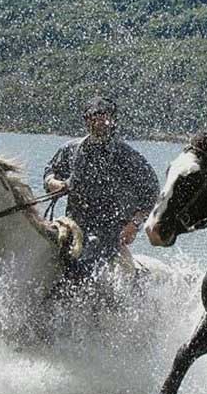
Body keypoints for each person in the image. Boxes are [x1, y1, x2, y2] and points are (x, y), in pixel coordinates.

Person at [42, 95, 159, 279]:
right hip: (73, 225)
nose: (98, 122)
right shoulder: (71, 149)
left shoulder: (126, 155)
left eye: (103, 117)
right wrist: (53, 183)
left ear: (112, 121)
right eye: (93, 117)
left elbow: (152, 192)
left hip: (110, 232)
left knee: (88, 265)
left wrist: (134, 225)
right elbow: (50, 171)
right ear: (86, 121)